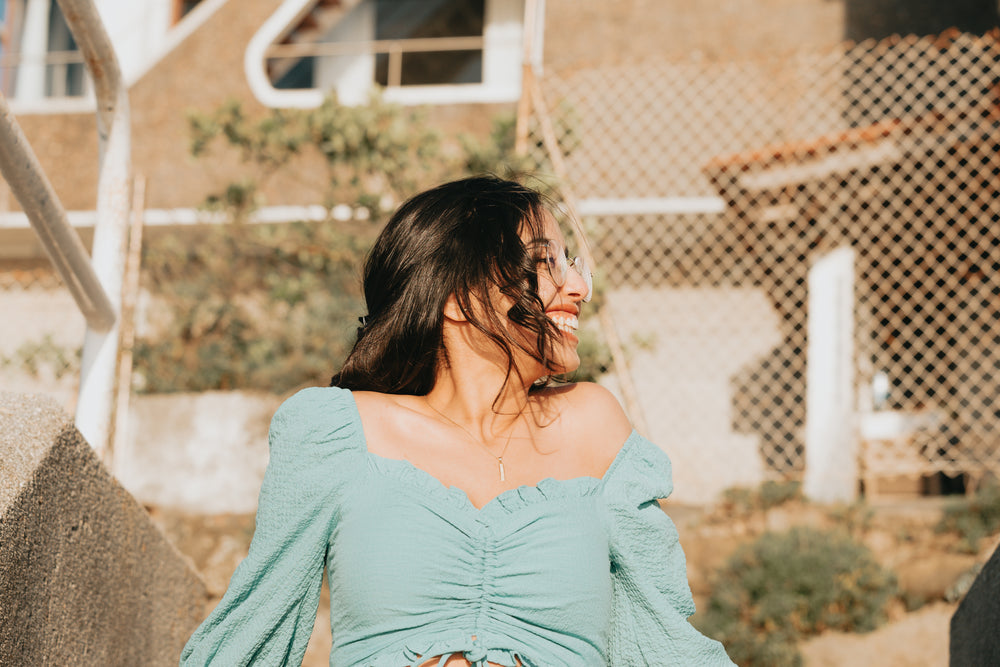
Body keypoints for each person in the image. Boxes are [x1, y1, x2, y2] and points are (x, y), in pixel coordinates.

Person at [180, 176, 734, 666]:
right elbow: (253, 633)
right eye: (545, 263)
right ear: (456, 293)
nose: (579, 286)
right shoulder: (337, 432)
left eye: (572, 264)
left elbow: (664, 644)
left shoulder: (594, 428)